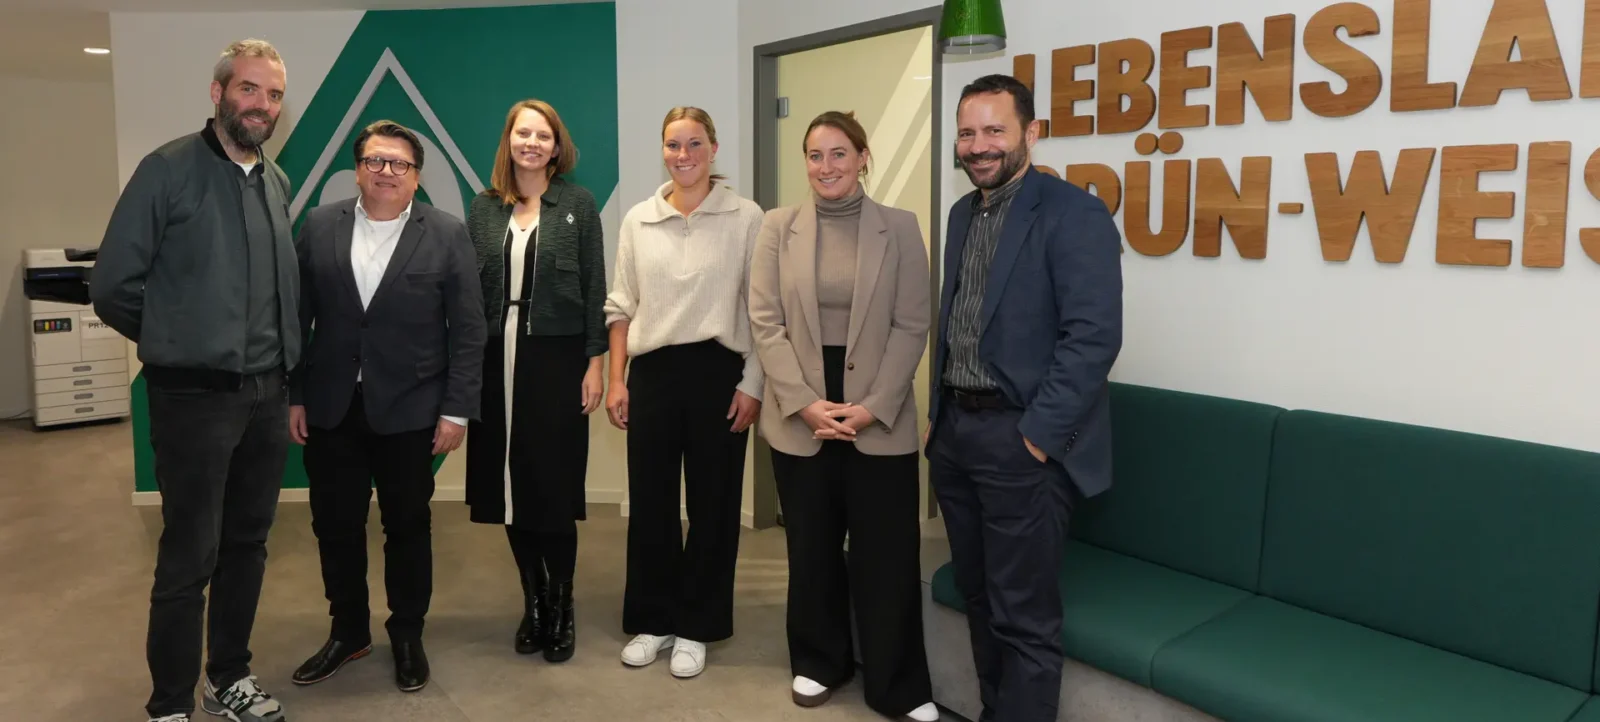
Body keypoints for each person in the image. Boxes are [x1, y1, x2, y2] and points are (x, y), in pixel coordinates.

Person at [90, 39, 297, 722]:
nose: (261, 105)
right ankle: (170, 705)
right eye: (248, 90)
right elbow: (113, 286)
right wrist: (176, 343)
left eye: (271, 95)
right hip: (192, 399)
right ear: (218, 94)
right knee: (189, 556)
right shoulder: (167, 170)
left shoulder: (275, 181)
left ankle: (228, 678)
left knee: (248, 544)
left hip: (266, 395)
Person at [926, 74, 1124, 722]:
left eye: (994, 130)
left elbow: (1093, 338)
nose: (978, 145)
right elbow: (960, 320)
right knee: (979, 598)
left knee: (1024, 617)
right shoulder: (963, 213)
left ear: (1030, 133)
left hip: (1020, 443)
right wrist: (938, 424)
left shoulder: (1074, 213)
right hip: (957, 435)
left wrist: (1037, 434)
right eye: (967, 132)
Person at [748, 110, 939, 722]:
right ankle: (818, 661)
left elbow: (914, 324)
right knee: (812, 549)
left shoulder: (901, 228)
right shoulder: (778, 228)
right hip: (799, 408)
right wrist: (803, 402)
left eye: (838, 154)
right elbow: (765, 322)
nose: (825, 166)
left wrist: (873, 406)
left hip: (878, 411)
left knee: (888, 554)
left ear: (862, 158)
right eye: (813, 155)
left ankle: (899, 686)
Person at [286, 120, 486, 693]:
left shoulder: (446, 233)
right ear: (358, 169)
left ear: (417, 177)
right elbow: (297, 320)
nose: (386, 172)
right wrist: (295, 393)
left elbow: (468, 329)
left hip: (412, 412)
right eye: (376, 161)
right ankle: (348, 631)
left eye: (399, 164)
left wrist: (456, 410)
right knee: (335, 526)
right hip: (330, 408)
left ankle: (407, 634)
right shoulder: (321, 226)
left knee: (408, 527)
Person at [604, 106, 764, 679]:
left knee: (714, 505)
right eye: (674, 144)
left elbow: (761, 311)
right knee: (650, 504)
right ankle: (655, 619)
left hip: (721, 375)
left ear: (713, 149)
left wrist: (754, 384)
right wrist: (617, 378)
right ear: (664, 150)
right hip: (652, 376)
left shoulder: (747, 217)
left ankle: (697, 624)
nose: (684, 155)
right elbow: (621, 306)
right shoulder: (638, 220)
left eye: (695, 143)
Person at [463, 99, 607, 664]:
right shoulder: (484, 207)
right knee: (509, 490)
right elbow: (466, 294)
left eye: (542, 134)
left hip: (558, 358)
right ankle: (535, 603)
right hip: (494, 360)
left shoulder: (578, 203)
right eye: (523, 133)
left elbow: (596, 287)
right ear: (509, 140)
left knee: (551, 489)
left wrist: (595, 363)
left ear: (555, 144)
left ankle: (563, 602)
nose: (532, 142)